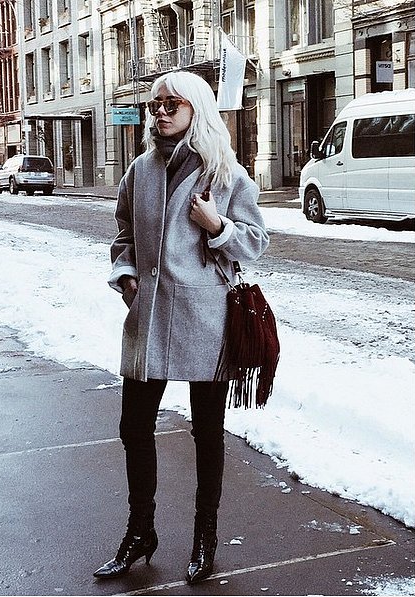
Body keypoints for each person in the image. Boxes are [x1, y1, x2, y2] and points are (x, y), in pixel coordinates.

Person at [93, 70, 270, 584]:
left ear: (197, 108)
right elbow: (124, 233)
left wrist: (217, 226)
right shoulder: (140, 169)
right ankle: (140, 532)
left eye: (173, 104)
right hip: (148, 316)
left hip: (204, 318)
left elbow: (255, 242)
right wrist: (126, 276)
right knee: (134, 426)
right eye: (156, 105)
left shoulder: (225, 172)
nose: (162, 113)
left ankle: (204, 537)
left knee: (207, 432)